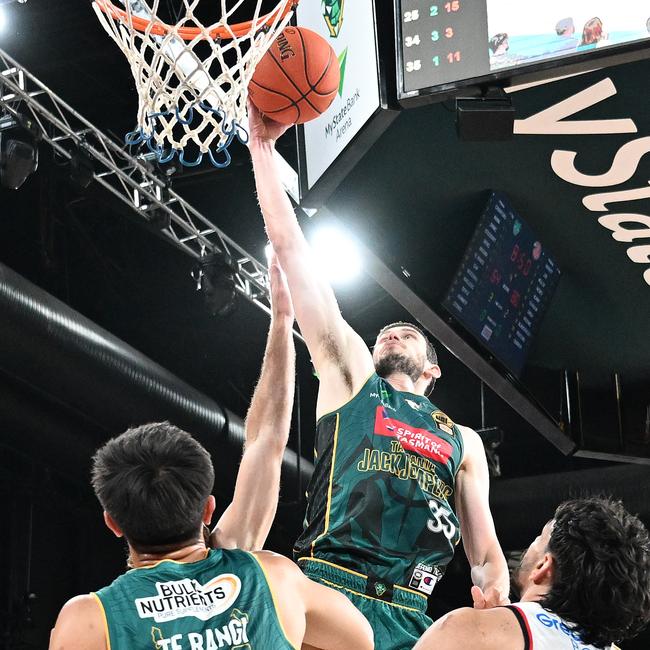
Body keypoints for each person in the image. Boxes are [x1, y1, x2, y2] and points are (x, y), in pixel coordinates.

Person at [248, 104, 509, 649]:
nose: (391, 334)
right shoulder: (351, 380)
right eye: (384, 333)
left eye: (408, 334)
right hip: (328, 591)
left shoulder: (462, 441)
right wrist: (263, 151)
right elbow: (295, 253)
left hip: (412, 613)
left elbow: (483, 553)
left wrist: (495, 597)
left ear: (433, 370)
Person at [49, 258, 374, 650]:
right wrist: (281, 322)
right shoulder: (272, 578)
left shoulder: (87, 620)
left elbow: (266, 444)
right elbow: (361, 640)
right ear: (207, 509)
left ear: (113, 522)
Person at [414, 497, 650, 650]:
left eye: (539, 540)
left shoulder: (469, 629)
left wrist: (484, 627)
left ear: (543, 567)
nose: (530, 546)